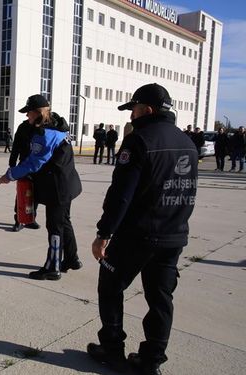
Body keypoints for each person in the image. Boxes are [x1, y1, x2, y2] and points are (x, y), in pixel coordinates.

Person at [87, 83, 198, 375]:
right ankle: (152, 360)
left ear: (147, 110)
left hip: (137, 235)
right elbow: (187, 191)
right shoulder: (187, 142)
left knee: (110, 287)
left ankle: (112, 348)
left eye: (133, 109)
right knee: (160, 298)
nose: (131, 116)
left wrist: (104, 234)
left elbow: (121, 195)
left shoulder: (139, 141)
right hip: (173, 235)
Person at [0, 94, 82, 280]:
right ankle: (71, 258)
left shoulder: (45, 134)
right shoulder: (58, 125)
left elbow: (34, 163)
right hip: (67, 183)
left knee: (55, 227)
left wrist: (9, 175)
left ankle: (53, 267)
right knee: (64, 222)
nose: (27, 116)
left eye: (28, 113)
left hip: (57, 187)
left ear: (37, 113)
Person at [8, 117, 40, 232]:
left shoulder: (42, 126)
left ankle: (31, 219)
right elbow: (15, 147)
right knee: (22, 193)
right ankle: (19, 220)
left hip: (39, 167)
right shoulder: (23, 127)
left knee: (35, 195)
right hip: (24, 166)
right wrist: (12, 165)